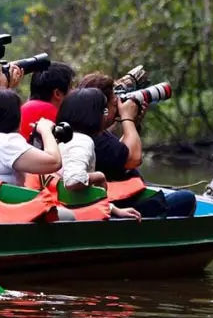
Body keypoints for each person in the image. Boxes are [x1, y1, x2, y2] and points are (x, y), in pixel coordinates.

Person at [77, 72, 197, 218]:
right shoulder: (93, 136)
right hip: (120, 206)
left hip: (113, 200)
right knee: (186, 199)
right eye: (115, 102)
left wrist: (135, 123)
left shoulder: (87, 129)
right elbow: (132, 159)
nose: (119, 106)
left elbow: (117, 154)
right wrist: (128, 119)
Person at [0, 88, 75, 221]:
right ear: (15, 118)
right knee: (68, 216)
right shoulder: (8, 143)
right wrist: (46, 130)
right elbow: (54, 162)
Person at [56, 88, 142, 222]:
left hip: (69, 203)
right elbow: (74, 180)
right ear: (93, 116)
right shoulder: (82, 141)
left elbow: (84, 191)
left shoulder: (63, 138)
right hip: (75, 211)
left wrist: (113, 209)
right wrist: (100, 177)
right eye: (104, 111)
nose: (106, 116)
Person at [19, 61, 75, 140]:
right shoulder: (53, 114)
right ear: (57, 94)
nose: (74, 91)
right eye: (71, 87)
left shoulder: (22, 109)